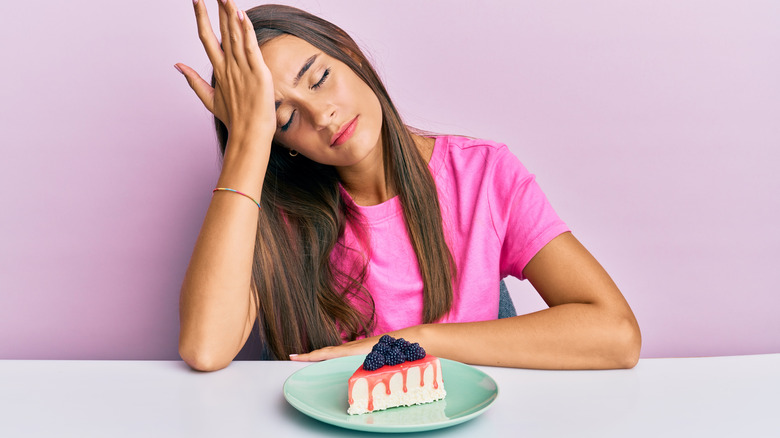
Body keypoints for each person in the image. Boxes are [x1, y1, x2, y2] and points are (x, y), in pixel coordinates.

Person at [175, 0, 641, 372]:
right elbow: (206, 348)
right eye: (286, 118)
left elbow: (616, 335)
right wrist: (249, 143)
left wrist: (409, 344)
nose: (322, 115)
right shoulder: (269, 215)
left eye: (319, 78)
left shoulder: (482, 176)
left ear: (351, 56)